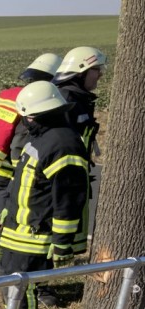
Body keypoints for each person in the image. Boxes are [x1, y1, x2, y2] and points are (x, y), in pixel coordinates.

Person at [0, 81, 89, 309]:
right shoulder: (44, 139)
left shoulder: (63, 145)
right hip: (20, 229)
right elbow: (24, 182)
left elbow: (69, 199)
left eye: (28, 117)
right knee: (11, 284)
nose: (26, 122)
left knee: (20, 288)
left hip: (35, 234)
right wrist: (8, 210)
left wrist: (62, 241)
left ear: (38, 115)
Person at [0, 53, 62, 282]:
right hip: (4, 172)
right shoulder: (31, 103)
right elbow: (19, 146)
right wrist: (20, 177)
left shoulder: (9, 95)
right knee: (2, 224)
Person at [53, 46, 107, 257]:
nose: (101, 74)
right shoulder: (67, 100)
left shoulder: (79, 99)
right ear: (81, 70)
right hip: (62, 174)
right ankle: (36, 286)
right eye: (96, 69)